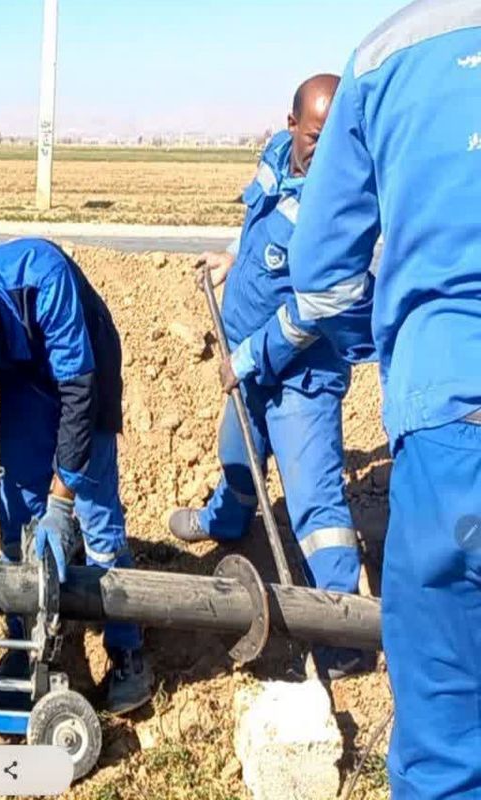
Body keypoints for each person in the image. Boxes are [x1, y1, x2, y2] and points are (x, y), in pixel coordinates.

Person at [287, 3, 481, 796]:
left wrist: (396, 345)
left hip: (451, 423)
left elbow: (322, 274)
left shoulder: (390, 52)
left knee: (444, 750)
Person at [166, 75, 366, 677]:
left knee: (315, 507)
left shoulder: (344, 206)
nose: (322, 150)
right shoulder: (278, 157)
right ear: (290, 125)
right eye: (312, 135)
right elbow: (260, 225)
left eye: (335, 139)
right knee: (237, 453)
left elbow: (312, 312)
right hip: (247, 361)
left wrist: (247, 359)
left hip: (300, 376)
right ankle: (228, 522)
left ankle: (344, 634)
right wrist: (232, 256)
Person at [0, 238, 153, 715]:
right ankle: (26, 646)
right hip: (24, 377)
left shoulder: (45, 282)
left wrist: (62, 502)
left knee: (96, 515)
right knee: (16, 507)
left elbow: (78, 397)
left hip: (84, 371)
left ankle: (127, 650)